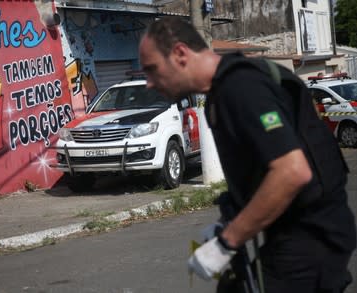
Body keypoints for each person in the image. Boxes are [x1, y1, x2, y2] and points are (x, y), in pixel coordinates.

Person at [139, 16, 356, 293]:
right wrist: (227, 222)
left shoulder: (241, 87)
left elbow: (292, 172)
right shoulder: (224, 91)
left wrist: (227, 241)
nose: (148, 82)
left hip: (310, 239)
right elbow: (259, 169)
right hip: (298, 235)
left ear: (180, 53)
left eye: (152, 69)